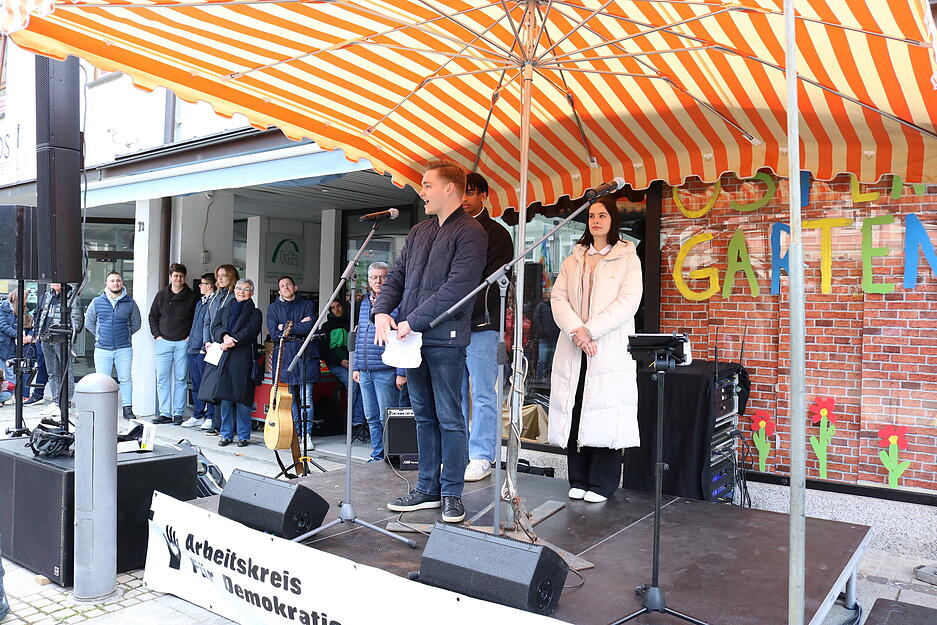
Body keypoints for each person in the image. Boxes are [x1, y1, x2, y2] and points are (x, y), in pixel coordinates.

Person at [375, 160, 487, 524]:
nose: (421, 192)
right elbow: (397, 276)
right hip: (412, 339)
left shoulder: (471, 232)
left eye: (426, 185)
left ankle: (451, 492)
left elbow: (457, 289)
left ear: (450, 189)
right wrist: (381, 310)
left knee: (450, 418)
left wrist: (411, 320)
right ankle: (427, 488)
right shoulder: (419, 231)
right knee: (423, 416)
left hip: (444, 339)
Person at [548, 196, 643, 503]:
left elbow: (629, 302)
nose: (596, 220)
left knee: (606, 412)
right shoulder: (574, 257)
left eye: (602, 215)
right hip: (575, 345)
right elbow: (558, 298)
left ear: (613, 220)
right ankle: (578, 477)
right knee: (576, 410)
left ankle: (602, 483)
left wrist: (591, 330)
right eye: (591, 216)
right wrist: (577, 331)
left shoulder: (628, 256)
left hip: (608, 347)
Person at [459, 172, 514, 482]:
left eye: (471, 193)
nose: (464, 198)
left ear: (484, 196)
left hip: (483, 324)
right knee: (453, 393)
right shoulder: (448, 228)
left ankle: (481, 455)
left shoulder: (498, 234)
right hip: (450, 324)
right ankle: (456, 453)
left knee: (483, 393)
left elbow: (488, 279)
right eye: (461, 192)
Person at [353, 262, 407, 462]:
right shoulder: (365, 302)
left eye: (383, 277)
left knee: (388, 418)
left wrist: (402, 371)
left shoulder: (398, 303)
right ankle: (377, 455)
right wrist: (357, 366)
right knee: (371, 418)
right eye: (374, 277)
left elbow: (404, 338)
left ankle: (390, 456)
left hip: (386, 369)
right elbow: (360, 336)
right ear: (368, 280)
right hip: (365, 369)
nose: (378, 281)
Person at [199, 278, 262, 447]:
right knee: (225, 398)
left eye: (246, 289)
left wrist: (233, 340)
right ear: (234, 290)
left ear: (252, 293)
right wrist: (225, 337)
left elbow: (251, 331)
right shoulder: (224, 309)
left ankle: (243, 435)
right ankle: (226, 434)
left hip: (243, 357)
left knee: (243, 399)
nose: (242, 291)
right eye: (239, 288)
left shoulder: (256, 312)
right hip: (225, 356)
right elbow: (215, 327)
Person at [266, 275, 319, 442]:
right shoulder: (273, 308)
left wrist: (285, 326)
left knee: (306, 398)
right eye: (282, 285)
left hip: (305, 356)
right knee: (290, 398)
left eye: (288, 284)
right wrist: (297, 325)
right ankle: (297, 432)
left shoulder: (308, 304)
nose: (286, 287)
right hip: (285, 357)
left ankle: (307, 435)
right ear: (279, 290)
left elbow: (310, 327)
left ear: (295, 287)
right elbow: (274, 334)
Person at [84, 272, 142, 419]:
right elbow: (89, 322)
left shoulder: (130, 303)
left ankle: (127, 409)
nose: (116, 283)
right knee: (103, 380)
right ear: (106, 283)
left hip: (124, 348)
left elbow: (136, 324)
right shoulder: (97, 302)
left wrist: (126, 335)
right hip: (103, 349)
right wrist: (100, 336)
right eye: (112, 281)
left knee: (126, 379)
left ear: (122, 283)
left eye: (118, 280)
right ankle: (103, 409)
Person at [148, 263, 199, 425]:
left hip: (183, 343)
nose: (178, 279)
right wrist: (157, 336)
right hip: (163, 342)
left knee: (181, 378)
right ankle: (164, 413)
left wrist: (189, 337)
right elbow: (152, 317)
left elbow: (196, 320)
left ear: (185, 277)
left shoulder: (192, 296)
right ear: (170, 277)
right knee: (162, 378)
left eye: (181, 276)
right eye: (175, 276)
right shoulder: (161, 295)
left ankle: (178, 413)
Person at [200, 264, 238, 434]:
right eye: (218, 275)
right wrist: (206, 341)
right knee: (212, 386)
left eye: (224, 275)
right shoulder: (215, 297)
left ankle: (226, 426)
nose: (220, 279)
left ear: (232, 276)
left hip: (228, 346)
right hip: (214, 346)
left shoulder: (234, 297)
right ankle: (215, 422)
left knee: (225, 387)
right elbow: (207, 321)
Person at [35, 283, 83, 417]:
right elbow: (41, 315)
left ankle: (65, 402)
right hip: (46, 338)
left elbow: (77, 321)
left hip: (62, 340)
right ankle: (56, 401)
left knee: (66, 371)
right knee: (52, 372)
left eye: (57, 281)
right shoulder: (47, 296)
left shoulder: (72, 297)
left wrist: (68, 334)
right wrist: (38, 333)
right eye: (52, 281)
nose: (53, 283)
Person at [321, 298, 366, 434]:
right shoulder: (326, 327)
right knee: (353, 384)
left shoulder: (349, 324)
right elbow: (324, 351)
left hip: (353, 362)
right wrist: (340, 361)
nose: (337, 309)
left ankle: (358, 421)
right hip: (335, 364)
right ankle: (351, 420)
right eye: (333, 307)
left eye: (338, 306)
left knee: (361, 383)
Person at [181, 274, 216, 428]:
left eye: (203, 284)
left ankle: (210, 416)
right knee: (196, 384)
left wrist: (204, 346)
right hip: (193, 348)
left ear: (210, 285)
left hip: (204, 349)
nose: (200, 286)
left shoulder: (214, 302)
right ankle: (197, 413)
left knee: (207, 384)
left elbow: (209, 326)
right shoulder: (199, 302)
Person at [533, 287, 560, 380]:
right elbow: (536, 320)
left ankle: (548, 377)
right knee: (543, 358)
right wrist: (542, 331)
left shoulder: (556, 307)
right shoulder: (541, 306)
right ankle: (539, 378)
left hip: (553, 337)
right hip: (544, 337)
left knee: (551, 359)